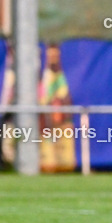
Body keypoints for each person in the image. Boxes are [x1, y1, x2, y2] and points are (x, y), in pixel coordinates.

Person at [38, 44, 76, 173]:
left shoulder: (60, 77)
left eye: (55, 54)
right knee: (48, 159)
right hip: (47, 121)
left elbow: (64, 96)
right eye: (50, 55)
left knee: (65, 155)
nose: (53, 58)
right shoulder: (45, 76)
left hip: (62, 121)